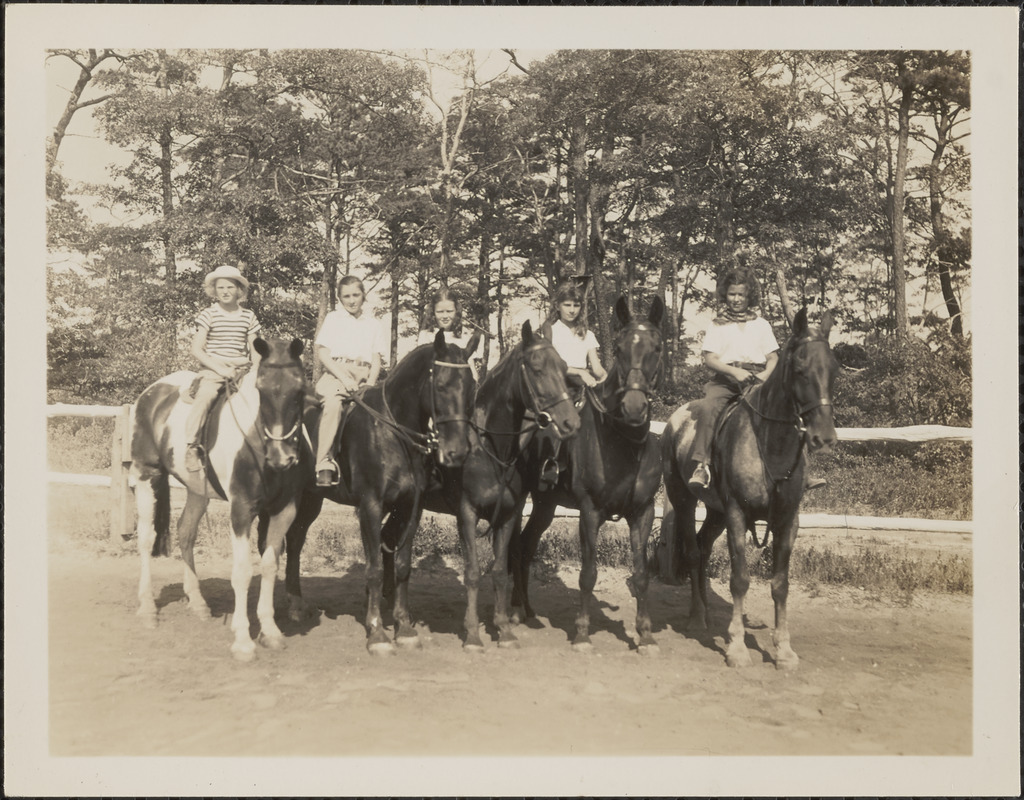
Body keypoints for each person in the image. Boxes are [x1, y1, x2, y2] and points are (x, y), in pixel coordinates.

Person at [688, 266, 824, 492]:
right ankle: (702, 465)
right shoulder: (717, 324)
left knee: (790, 410)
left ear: (749, 296)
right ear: (725, 295)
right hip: (726, 380)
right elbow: (710, 359)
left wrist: (762, 376)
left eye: (741, 294)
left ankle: (803, 470)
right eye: (732, 294)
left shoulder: (761, 324)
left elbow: (773, 358)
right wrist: (735, 373)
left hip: (758, 379)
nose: (736, 299)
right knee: (709, 408)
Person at [184, 265, 261, 473]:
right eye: (220, 288)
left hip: (242, 369)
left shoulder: (248, 316)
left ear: (239, 290)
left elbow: (255, 350)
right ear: (214, 291)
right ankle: (191, 445)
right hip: (214, 368)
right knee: (206, 396)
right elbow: (196, 349)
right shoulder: (209, 314)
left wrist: (255, 370)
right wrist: (220, 368)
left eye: (230, 287)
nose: (225, 291)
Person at [314, 275, 386, 487]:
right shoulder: (334, 319)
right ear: (339, 298)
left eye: (356, 294)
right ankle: (324, 462)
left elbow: (376, 359)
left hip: (364, 375)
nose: (352, 300)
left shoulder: (373, 323)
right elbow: (324, 354)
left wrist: (370, 384)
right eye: (346, 296)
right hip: (337, 373)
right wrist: (344, 378)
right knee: (334, 404)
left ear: (363, 295)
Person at [546, 281, 607, 390]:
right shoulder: (551, 332)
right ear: (557, 306)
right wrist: (579, 372)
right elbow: (551, 366)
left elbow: (596, 368)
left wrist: (605, 376)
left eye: (576, 306)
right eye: (567, 305)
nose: (572, 310)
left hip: (583, 383)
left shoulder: (588, 334)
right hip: (558, 385)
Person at [417, 288, 483, 377]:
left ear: (456, 311)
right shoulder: (426, 336)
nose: (445, 316)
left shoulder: (465, 335)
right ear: (433, 313)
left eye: (449, 311)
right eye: (440, 312)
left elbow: (471, 368)